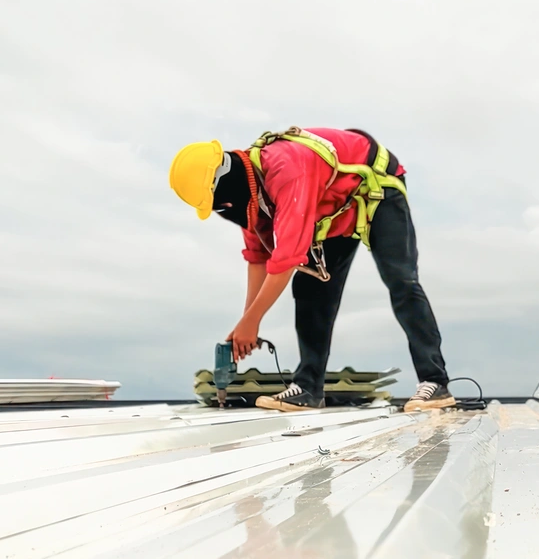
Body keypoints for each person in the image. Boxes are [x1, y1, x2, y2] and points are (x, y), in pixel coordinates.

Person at [169, 127, 455, 413]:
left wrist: (252, 322)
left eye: (218, 203)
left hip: (376, 187)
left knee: (401, 281)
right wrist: (247, 321)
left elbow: (286, 259)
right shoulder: (254, 200)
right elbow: (258, 258)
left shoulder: (287, 170)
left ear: (224, 183)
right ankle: (307, 389)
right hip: (333, 209)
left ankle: (435, 382)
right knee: (310, 289)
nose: (224, 210)